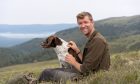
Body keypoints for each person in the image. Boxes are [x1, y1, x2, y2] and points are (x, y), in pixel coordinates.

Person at [38, 12, 110, 83]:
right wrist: (77, 50)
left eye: (85, 22)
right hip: (86, 73)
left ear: (92, 22)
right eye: (80, 23)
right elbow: (86, 63)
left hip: (88, 77)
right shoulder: (93, 39)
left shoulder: (97, 41)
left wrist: (73, 62)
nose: (83, 25)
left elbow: (86, 69)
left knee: (46, 73)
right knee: (55, 70)